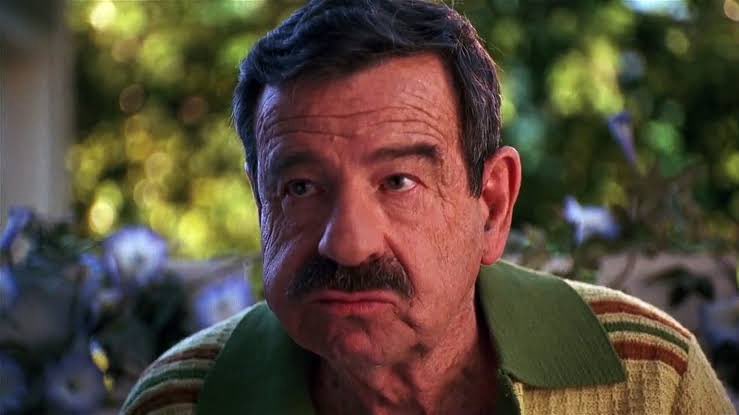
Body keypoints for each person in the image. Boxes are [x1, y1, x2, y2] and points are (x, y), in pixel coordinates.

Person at [121, 1, 734, 414]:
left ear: (492, 206)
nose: (348, 244)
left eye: (398, 182)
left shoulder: (651, 381)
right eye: (301, 188)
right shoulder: (178, 403)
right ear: (260, 201)